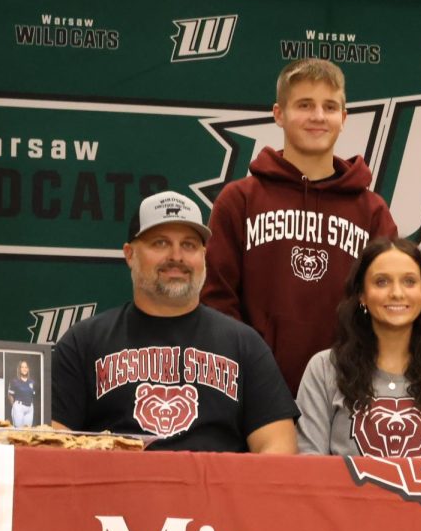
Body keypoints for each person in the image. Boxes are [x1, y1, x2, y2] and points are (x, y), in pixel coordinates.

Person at [201, 58, 397, 394]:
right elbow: (217, 300)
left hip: (347, 388)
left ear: (344, 118)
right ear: (279, 114)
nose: (318, 116)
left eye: (330, 107)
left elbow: (391, 302)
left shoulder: (371, 210)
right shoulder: (240, 200)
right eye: (305, 105)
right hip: (253, 389)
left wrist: (360, 367)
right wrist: (248, 369)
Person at [52, 191, 299, 453]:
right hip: (119, 491)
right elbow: (51, 446)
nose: (177, 257)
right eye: (160, 243)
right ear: (129, 254)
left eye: (189, 245)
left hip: (215, 491)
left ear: (204, 255)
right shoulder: (83, 343)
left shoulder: (244, 345)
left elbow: (278, 448)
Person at [296, 237, 421, 458]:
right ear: (362, 295)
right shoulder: (324, 369)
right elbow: (309, 468)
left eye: (409, 282)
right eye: (382, 282)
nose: (397, 293)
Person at [6, 360, 38, 427]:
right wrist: (15, 406)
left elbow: (33, 395)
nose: (24, 369)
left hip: (29, 408)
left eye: (26, 367)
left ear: (28, 369)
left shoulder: (32, 382)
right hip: (19, 407)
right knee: (19, 430)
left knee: (27, 430)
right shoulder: (14, 381)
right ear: (19, 369)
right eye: (22, 367)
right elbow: (10, 395)